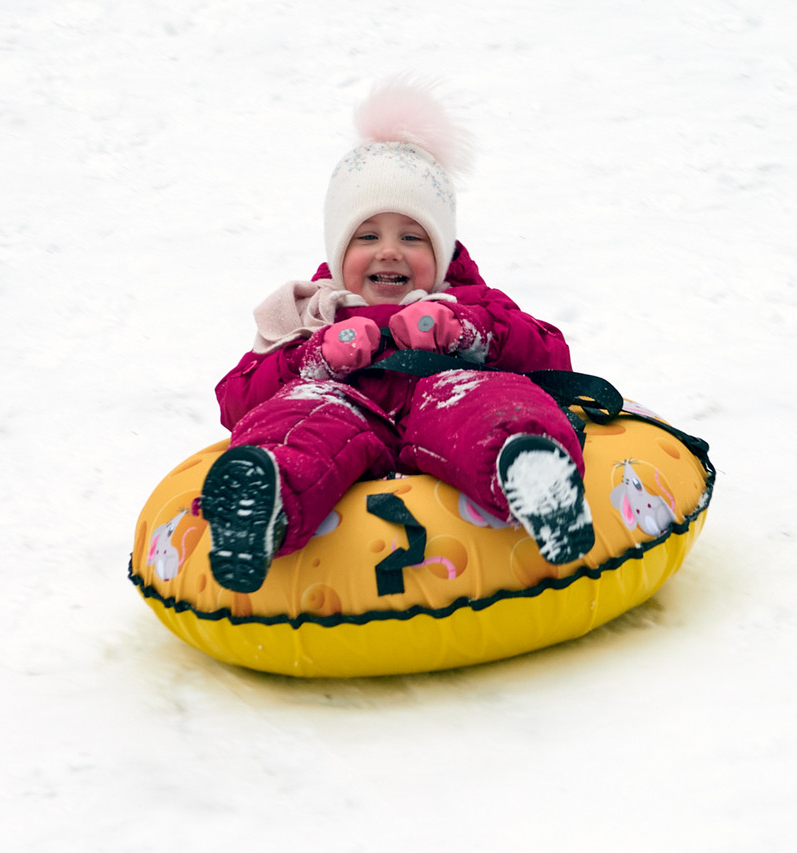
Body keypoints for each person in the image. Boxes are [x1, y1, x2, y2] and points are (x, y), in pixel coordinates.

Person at [203, 77, 594, 593]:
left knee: (484, 398)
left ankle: (532, 474)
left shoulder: (467, 302)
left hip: (443, 401)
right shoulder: (310, 316)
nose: (389, 251)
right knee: (302, 414)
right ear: (338, 250)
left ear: (443, 249)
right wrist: (313, 362)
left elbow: (551, 357)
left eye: (412, 237)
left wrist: (468, 334)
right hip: (345, 414)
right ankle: (263, 501)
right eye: (367, 236)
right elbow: (238, 401)